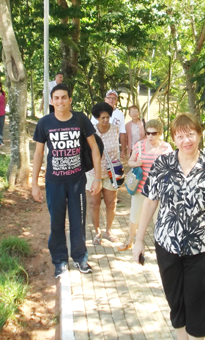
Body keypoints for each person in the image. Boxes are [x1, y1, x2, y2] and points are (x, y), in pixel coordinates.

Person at [133, 113, 205, 340]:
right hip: (167, 245)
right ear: (173, 139)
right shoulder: (162, 165)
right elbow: (149, 203)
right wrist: (138, 240)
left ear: (199, 134)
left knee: (197, 303)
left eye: (190, 134)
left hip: (201, 249)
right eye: (180, 136)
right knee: (175, 301)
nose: (186, 140)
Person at [32, 83, 102, 278]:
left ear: (70, 100)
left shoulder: (80, 119)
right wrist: (34, 183)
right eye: (56, 98)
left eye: (64, 97)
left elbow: (95, 148)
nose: (60, 101)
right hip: (54, 183)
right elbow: (38, 154)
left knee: (78, 222)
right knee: (56, 223)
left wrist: (97, 178)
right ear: (51, 101)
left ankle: (80, 258)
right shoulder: (44, 123)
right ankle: (60, 261)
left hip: (77, 182)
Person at [118, 119, 172, 252]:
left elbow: (173, 167)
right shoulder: (139, 146)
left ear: (160, 133)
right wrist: (136, 163)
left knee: (158, 219)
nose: (150, 136)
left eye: (154, 133)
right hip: (141, 188)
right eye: (148, 133)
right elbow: (130, 161)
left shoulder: (166, 148)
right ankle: (130, 240)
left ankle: (160, 246)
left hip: (158, 190)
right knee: (135, 216)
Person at [87, 102, 122, 245]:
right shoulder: (90, 131)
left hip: (112, 171)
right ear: (97, 118)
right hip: (93, 172)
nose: (106, 120)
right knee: (94, 203)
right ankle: (97, 232)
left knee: (111, 202)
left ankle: (108, 231)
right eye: (102, 118)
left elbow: (117, 150)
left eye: (108, 117)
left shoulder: (115, 129)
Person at [91, 90, 128, 160]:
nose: (111, 100)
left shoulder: (119, 115)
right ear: (105, 99)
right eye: (109, 98)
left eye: (113, 98)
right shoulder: (97, 112)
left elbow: (122, 133)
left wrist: (124, 149)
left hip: (113, 154)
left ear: (117, 100)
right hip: (98, 154)